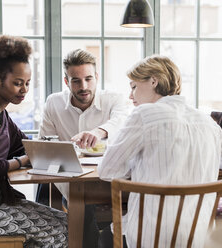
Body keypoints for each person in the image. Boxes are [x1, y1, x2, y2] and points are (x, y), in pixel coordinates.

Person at [97, 55, 222, 248]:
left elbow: (107, 171)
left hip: (150, 238)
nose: (131, 96)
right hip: (199, 238)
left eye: (134, 86)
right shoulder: (206, 121)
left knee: (103, 235)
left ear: (153, 81)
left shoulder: (143, 115)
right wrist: (203, 155)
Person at [0, 35, 68, 248]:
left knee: (65, 223)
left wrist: (68, 150)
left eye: (27, 83)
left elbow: (27, 145)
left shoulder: (2, 113)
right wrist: (23, 160)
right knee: (62, 229)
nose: (24, 90)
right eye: (17, 83)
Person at [37, 49, 130, 248]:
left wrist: (98, 132)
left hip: (107, 178)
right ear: (66, 82)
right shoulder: (53, 103)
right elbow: (45, 144)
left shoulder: (114, 99)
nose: (83, 86)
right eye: (76, 81)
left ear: (96, 77)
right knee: (72, 197)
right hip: (69, 179)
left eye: (88, 79)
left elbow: (121, 122)